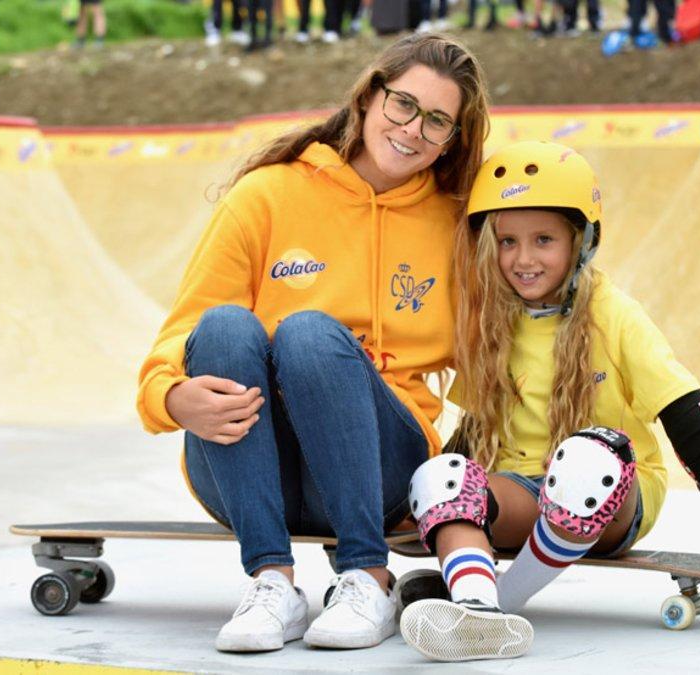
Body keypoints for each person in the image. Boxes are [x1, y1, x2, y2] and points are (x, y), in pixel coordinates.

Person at [136, 33, 490, 653]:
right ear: (368, 97)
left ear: (454, 138)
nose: (413, 129)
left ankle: (366, 576)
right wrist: (172, 399)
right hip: (251, 476)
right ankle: (272, 584)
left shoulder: (455, 223)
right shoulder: (268, 195)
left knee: (307, 333)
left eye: (438, 121)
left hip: (377, 472)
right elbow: (180, 332)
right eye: (403, 104)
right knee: (222, 327)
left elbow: (501, 362)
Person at [394, 141, 700, 662]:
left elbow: (692, 411)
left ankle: (505, 599)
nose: (523, 259)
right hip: (524, 489)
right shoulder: (492, 322)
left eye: (544, 240)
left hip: (614, 492)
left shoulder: (614, 314)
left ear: (580, 241)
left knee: (586, 457)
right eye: (507, 241)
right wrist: (444, 506)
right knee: (440, 474)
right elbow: (475, 431)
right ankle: (475, 611)